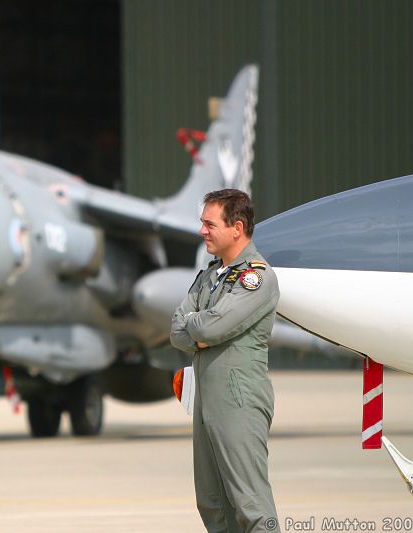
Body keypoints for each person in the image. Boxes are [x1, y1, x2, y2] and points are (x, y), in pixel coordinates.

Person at [170, 189, 279, 532]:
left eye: (209, 223)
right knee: (212, 505)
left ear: (237, 227)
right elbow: (178, 329)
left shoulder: (256, 278)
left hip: (238, 402)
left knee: (251, 506)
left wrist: (199, 327)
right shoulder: (210, 276)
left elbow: (211, 326)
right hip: (207, 404)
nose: (202, 230)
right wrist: (198, 329)